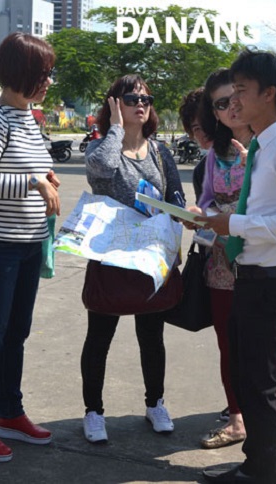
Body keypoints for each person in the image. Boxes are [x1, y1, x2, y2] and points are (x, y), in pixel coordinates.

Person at [198, 49, 276, 484]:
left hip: (272, 284)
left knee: (262, 382)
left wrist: (234, 222)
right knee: (247, 377)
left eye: (243, 92)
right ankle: (258, 464)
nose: (235, 101)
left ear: (269, 94)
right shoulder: (261, 146)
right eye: (232, 93)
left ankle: (265, 472)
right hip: (248, 277)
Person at [0, 32, 61, 463]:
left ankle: (11, 412)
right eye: (44, 74)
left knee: (16, 334)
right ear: (22, 74)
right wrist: (34, 182)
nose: (49, 82)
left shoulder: (29, 119)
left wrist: (46, 177)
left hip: (27, 245)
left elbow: (29, 172)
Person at [81, 74, 185, 444]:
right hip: (110, 256)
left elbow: (176, 197)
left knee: (151, 336)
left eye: (146, 98)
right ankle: (93, 411)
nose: (140, 103)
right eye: (130, 98)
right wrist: (114, 128)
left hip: (150, 257)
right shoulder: (101, 148)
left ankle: (155, 403)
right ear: (114, 104)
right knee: (100, 336)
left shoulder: (160, 151)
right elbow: (102, 170)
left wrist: (175, 213)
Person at [178, 87, 213, 203]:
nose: (204, 133)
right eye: (197, 128)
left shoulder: (250, 156)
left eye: (208, 123)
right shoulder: (201, 171)